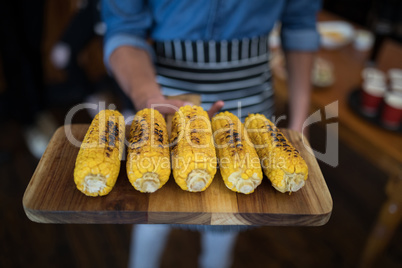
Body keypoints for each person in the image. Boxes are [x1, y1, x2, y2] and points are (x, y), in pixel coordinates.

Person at [102, 1, 321, 267]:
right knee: (153, 209)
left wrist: (300, 120)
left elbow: (300, 24)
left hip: (248, 101)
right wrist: (146, 95)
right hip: (166, 96)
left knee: (230, 216)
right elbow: (124, 29)